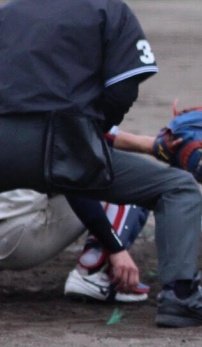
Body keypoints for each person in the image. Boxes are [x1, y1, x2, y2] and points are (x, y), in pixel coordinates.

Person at [0, 0, 202, 328]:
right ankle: (180, 296)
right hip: (62, 152)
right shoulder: (110, 10)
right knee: (176, 189)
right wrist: (93, 131)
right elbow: (124, 88)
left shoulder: (8, 12)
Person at [0, 128, 181, 304]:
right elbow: (74, 175)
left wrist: (152, 145)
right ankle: (93, 272)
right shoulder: (47, 105)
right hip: (15, 239)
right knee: (134, 180)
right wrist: (116, 248)